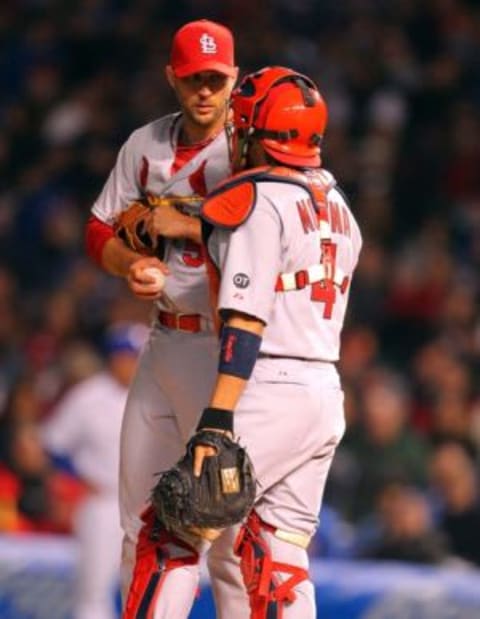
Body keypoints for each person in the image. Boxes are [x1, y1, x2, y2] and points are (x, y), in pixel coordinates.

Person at [125, 66, 362, 618]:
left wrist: (216, 418)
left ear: (257, 132)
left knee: (172, 530)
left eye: (244, 123)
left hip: (267, 386)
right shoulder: (338, 205)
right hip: (323, 392)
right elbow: (246, 227)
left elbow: (246, 322)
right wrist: (189, 222)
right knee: (278, 557)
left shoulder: (258, 200)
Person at [84, 19, 248, 618]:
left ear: (234, 77)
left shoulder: (252, 147)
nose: (204, 90)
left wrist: (192, 221)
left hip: (229, 352)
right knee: (143, 524)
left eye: (215, 78)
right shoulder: (145, 144)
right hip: (164, 342)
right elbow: (98, 227)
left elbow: (273, 228)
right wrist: (129, 263)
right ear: (171, 79)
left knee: (230, 537)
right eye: (192, 79)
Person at [41, 322, 148, 619]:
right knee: (93, 592)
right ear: (114, 357)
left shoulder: (155, 395)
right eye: (126, 356)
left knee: (145, 590)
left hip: (147, 507)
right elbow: (52, 444)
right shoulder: (88, 395)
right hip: (103, 503)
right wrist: (77, 480)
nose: (130, 363)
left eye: (136, 356)